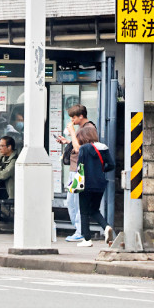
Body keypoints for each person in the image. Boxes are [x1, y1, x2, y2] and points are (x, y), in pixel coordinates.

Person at [55, 104, 96, 242]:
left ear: (81, 116)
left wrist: (72, 132)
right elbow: (77, 144)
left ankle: (80, 231)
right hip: (75, 169)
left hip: (81, 170)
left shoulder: (89, 128)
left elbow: (80, 149)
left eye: (74, 117)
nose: (72, 120)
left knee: (76, 202)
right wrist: (67, 141)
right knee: (71, 201)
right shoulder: (82, 129)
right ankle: (79, 230)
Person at [74, 125, 116, 247]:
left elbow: (80, 166)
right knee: (94, 209)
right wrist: (101, 169)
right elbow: (111, 165)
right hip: (100, 183)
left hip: (86, 184)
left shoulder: (84, 149)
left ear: (83, 137)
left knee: (84, 211)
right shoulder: (104, 147)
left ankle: (87, 239)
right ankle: (106, 226)